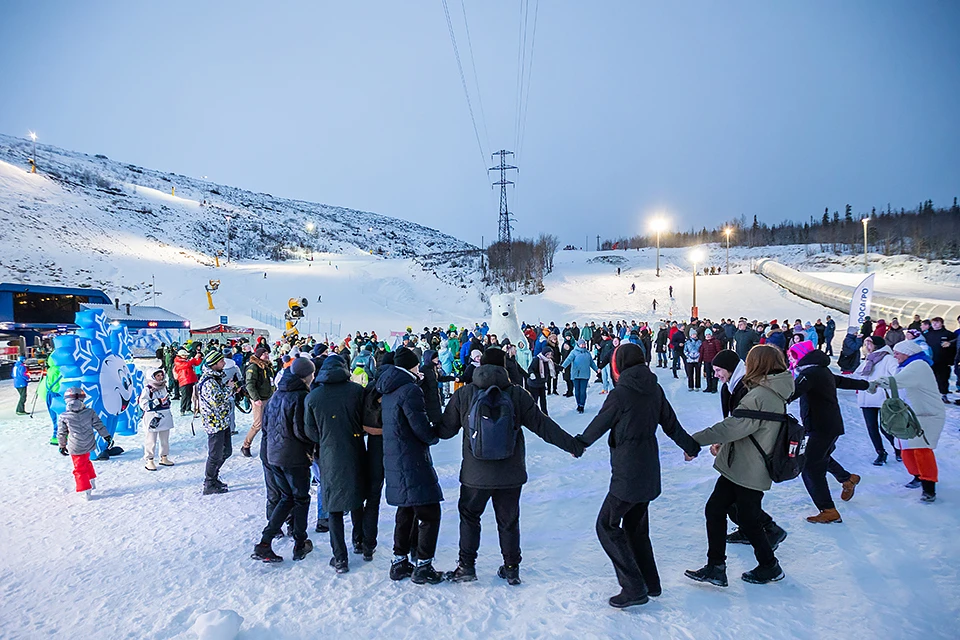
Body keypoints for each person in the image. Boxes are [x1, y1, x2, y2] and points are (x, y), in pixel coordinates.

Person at [440, 348, 583, 586]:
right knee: (508, 519)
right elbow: (542, 425)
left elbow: (445, 430)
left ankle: (466, 566)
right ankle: (511, 568)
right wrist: (572, 445)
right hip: (510, 472)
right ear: (504, 368)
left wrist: (421, 431)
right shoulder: (518, 394)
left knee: (469, 516)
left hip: (475, 473)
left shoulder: (464, 393)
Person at [576, 344, 701, 607]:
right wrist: (691, 448)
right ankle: (651, 583)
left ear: (618, 364)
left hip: (627, 474)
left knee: (606, 525)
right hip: (648, 472)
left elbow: (600, 424)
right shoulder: (654, 388)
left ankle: (633, 587)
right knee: (635, 527)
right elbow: (671, 424)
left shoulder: (620, 394)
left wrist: (580, 444)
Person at [685, 345, 794, 588]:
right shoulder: (768, 391)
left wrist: (694, 440)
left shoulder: (761, 395)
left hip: (750, 466)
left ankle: (767, 565)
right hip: (742, 464)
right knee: (720, 510)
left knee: (746, 517)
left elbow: (733, 427)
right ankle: (717, 566)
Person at [376, 347, 447, 585]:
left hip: (395, 457)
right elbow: (420, 427)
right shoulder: (409, 390)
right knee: (429, 512)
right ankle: (423, 565)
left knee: (405, 510)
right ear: (411, 367)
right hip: (412, 459)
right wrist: (433, 435)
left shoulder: (389, 388)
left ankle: (399, 562)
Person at [710, 350, 788, 549]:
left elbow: (744, 425)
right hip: (739, 449)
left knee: (740, 505)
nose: (716, 375)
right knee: (734, 503)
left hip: (752, 454)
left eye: (719, 370)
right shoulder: (728, 386)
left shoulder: (747, 388)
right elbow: (732, 420)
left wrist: (722, 440)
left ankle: (769, 536)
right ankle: (756, 536)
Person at [788, 341, 868, 523]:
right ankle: (848, 478)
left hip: (821, 427)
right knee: (821, 457)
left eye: (793, 355)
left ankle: (828, 510)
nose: (791, 359)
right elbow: (841, 381)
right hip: (827, 426)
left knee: (809, 466)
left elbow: (791, 393)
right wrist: (866, 385)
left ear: (802, 356)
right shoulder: (819, 370)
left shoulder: (810, 373)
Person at [251, 357, 317, 563]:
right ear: (307, 376)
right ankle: (300, 542)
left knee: (285, 498)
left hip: (273, 455)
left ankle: (264, 542)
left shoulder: (276, 394)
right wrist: (312, 445)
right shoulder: (301, 397)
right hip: (294, 456)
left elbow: (266, 426)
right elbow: (301, 430)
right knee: (301, 498)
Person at [304, 355, 366, 572]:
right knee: (357, 497)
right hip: (356, 448)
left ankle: (340, 557)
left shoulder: (313, 397)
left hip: (328, 453)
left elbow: (310, 431)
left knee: (334, 505)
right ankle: (360, 542)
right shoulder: (357, 391)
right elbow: (365, 420)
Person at [873, 340, 945, 502]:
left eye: (897, 352)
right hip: (911, 414)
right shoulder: (906, 366)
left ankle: (929, 487)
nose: (895, 355)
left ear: (908, 352)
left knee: (921, 449)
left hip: (927, 415)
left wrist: (876, 383)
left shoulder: (918, 365)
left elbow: (898, 382)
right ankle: (917, 476)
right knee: (905, 449)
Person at [848, 336, 900, 465]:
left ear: (876, 344)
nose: (866, 346)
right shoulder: (868, 359)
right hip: (867, 397)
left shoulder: (888, 358)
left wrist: (882, 383)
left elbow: (896, 375)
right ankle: (880, 452)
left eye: (869, 343)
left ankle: (898, 449)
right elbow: (858, 374)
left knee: (885, 428)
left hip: (882, 398)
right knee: (871, 427)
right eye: (866, 343)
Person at [57, 387, 111, 499]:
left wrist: (62, 445)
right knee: (86, 461)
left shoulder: (64, 416)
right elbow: (99, 425)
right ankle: (92, 481)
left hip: (75, 445)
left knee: (79, 467)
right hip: (89, 442)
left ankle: (85, 489)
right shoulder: (90, 412)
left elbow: (62, 433)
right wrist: (106, 436)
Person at [197, 350, 232, 495]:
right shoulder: (209, 382)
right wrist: (229, 389)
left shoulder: (215, 378)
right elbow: (217, 401)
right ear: (214, 364)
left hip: (222, 421)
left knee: (226, 451)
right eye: (221, 361)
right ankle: (209, 482)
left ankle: (214, 478)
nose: (224, 363)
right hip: (215, 423)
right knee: (215, 454)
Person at [241, 347, 275, 457]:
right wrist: (256, 399)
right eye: (264, 354)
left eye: (267, 353)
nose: (267, 355)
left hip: (268, 397)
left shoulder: (267, 366)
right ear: (258, 355)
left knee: (270, 422)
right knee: (258, 424)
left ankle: (270, 445)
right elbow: (250, 384)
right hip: (259, 399)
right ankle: (246, 445)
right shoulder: (254, 367)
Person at [139, 369, 175, 471]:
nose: (160, 377)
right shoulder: (147, 389)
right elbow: (143, 404)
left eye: (161, 375)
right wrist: (157, 401)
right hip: (153, 417)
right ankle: (149, 459)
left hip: (165, 415)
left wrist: (167, 402)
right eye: (157, 376)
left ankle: (164, 457)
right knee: (151, 440)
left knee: (165, 439)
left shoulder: (164, 387)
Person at [923, 317, 956, 402]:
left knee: (943, 379)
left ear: (941, 323)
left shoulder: (948, 334)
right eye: (933, 322)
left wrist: (951, 360)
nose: (934, 324)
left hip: (943, 361)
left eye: (937, 322)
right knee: (929, 378)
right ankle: (930, 394)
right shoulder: (927, 335)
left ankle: (943, 394)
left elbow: (954, 348)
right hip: (930, 360)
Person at [562, 339, 599, 413]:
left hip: (585, 375)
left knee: (583, 391)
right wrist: (562, 367)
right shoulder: (574, 352)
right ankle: (578, 404)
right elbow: (568, 360)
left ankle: (582, 405)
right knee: (577, 391)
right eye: (581, 344)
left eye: (584, 344)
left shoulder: (587, 353)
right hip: (576, 374)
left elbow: (591, 363)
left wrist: (597, 369)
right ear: (578, 345)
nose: (583, 345)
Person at [173, 349, 202, 416]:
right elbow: (186, 365)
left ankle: (188, 408)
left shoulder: (187, 360)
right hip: (184, 380)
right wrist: (194, 359)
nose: (186, 356)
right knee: (184, 396)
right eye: (185, 355)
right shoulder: (177, 361)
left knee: (189, 395)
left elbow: (197, 363)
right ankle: (182, 410)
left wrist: (198, 358)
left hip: (190, 379)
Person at [526, 346, 554, 414]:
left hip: (541, 383)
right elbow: (530, 368)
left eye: (551, 354)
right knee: (534, 399)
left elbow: (554, 366)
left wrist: (561, 368)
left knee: (543, 399)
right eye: (548, 354)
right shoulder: (537, 360)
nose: (550, 356)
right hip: (534, 384)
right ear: (544, 354)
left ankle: (544, 413)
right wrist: (532, 374)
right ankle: (533, 413)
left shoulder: (549, 361)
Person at [699, 329, 723, 393]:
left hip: (714, 362)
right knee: (708, 375)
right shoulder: (704, 343)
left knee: (715, 375)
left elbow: (719, 351)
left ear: (711, 335)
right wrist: (700, 361)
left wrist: (719, 360)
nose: (708, 336)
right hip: (706, 361)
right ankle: (709, 387)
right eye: (706, 335)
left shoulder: (716, 341)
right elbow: (701, 353)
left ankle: (714, 388)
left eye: (709, 334)